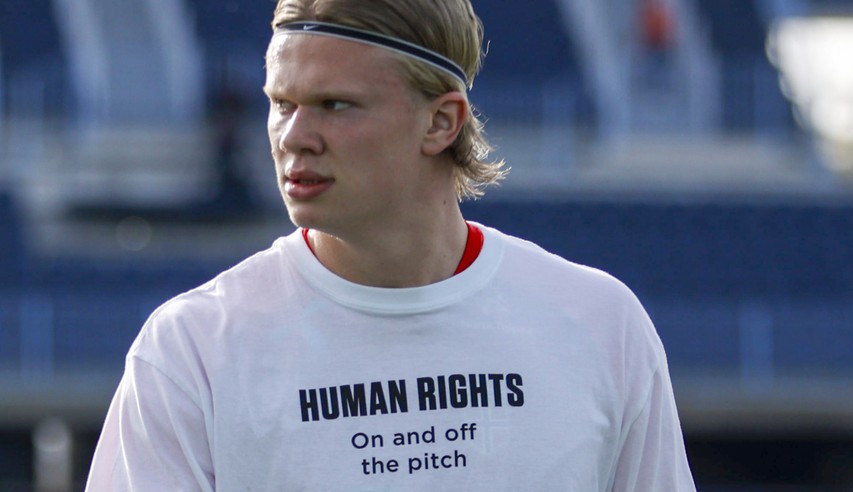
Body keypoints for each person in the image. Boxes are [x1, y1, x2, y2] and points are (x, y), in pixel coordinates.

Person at [85, 0, 696, 490]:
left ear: (441, 122)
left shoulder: (600, 325)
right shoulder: (190, 351)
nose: (294, 136)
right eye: (281, 104)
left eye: (335, 104)